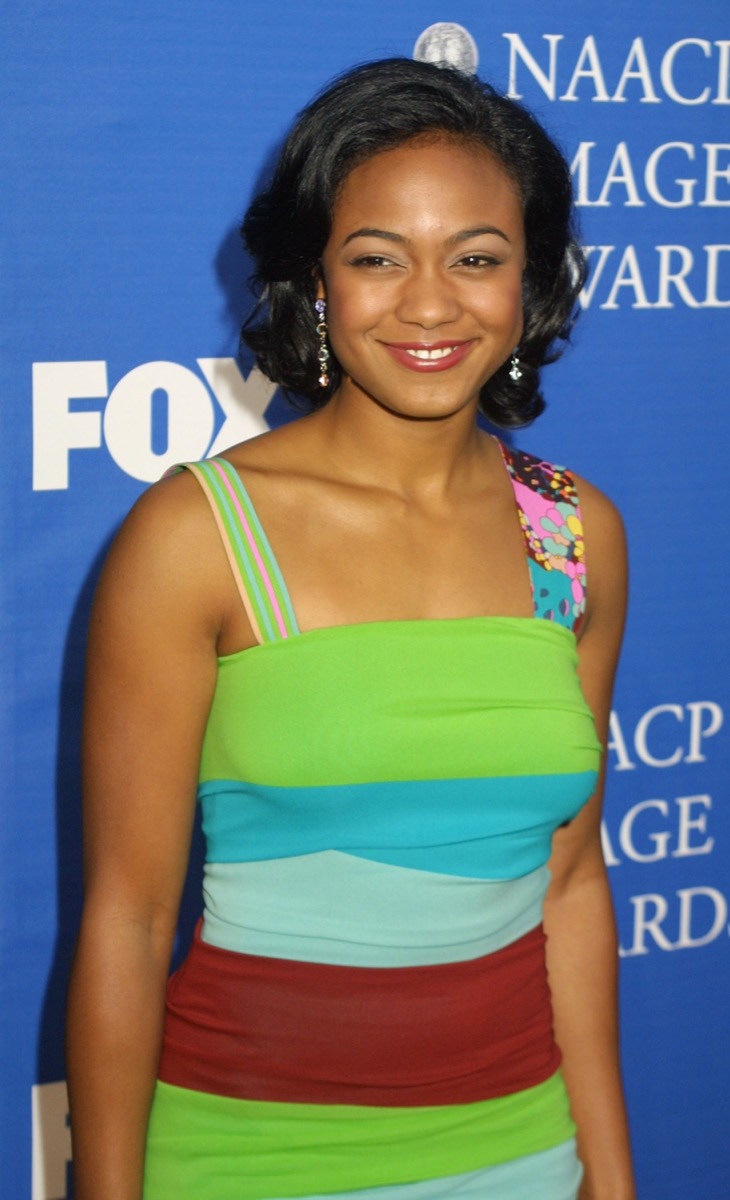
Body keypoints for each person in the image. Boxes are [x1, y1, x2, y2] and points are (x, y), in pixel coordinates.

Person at [66, 57, 635, 1200]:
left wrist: (609, 1178)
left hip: (520, 1156)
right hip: (248, 1163)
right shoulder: (196, 534)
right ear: (315, 281)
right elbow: (127, 921)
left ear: (528, 281)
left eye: (476, 257)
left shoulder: (571, 534)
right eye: (377, 258)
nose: (429, 304)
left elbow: (571, 884)